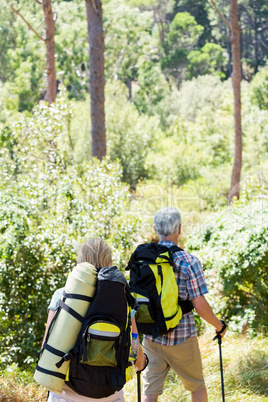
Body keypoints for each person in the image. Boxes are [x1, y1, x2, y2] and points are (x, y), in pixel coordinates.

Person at [42, 237, 146, 402]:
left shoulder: (63, 295)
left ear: (81, 260)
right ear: (109, 260)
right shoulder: (122, 299)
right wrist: (142, 362)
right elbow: (135, 352)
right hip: (111, 395)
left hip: (65, 395)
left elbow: (46, 348)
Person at [141, 208, 227, 402]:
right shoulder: (189, 261)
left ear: (156, 229)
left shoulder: (145, 259)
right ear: (179, 229)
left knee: (150, 392)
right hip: (182, 338)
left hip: (152, 337)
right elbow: (199, 303)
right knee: (196, 387)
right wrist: (219, 326)